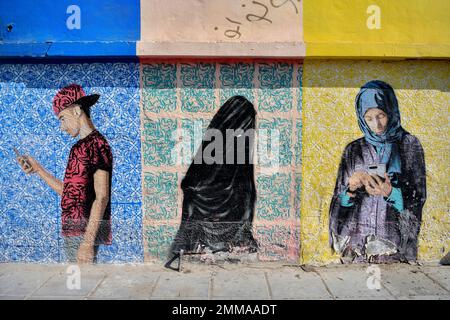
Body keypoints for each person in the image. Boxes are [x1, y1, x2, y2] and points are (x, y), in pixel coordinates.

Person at [329, 80, 426, 263]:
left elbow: (419, 197)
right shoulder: (354, 150)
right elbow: (337, 202)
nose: (377, 125)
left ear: (391, 111)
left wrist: (391, 192)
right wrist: (350, 189)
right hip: (358, 245)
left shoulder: (409, 145)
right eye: (369, 118)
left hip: (394, 245)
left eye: (381, 115)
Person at [16, 84, 113, 264]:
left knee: (81, 286)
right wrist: (38, 169)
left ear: (76, 111)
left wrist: (87, 242)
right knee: (77, 287)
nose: (62, 127)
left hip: (84, 235)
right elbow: (70, 193)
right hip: (72, 231)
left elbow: (102, 197)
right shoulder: (78, 148)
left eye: (62, 118)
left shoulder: (98, 145)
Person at [165, 96, 258, 269]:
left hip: (206, 218)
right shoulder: (231, 150)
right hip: (209, 220)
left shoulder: (231, 153)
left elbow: (191, 183)